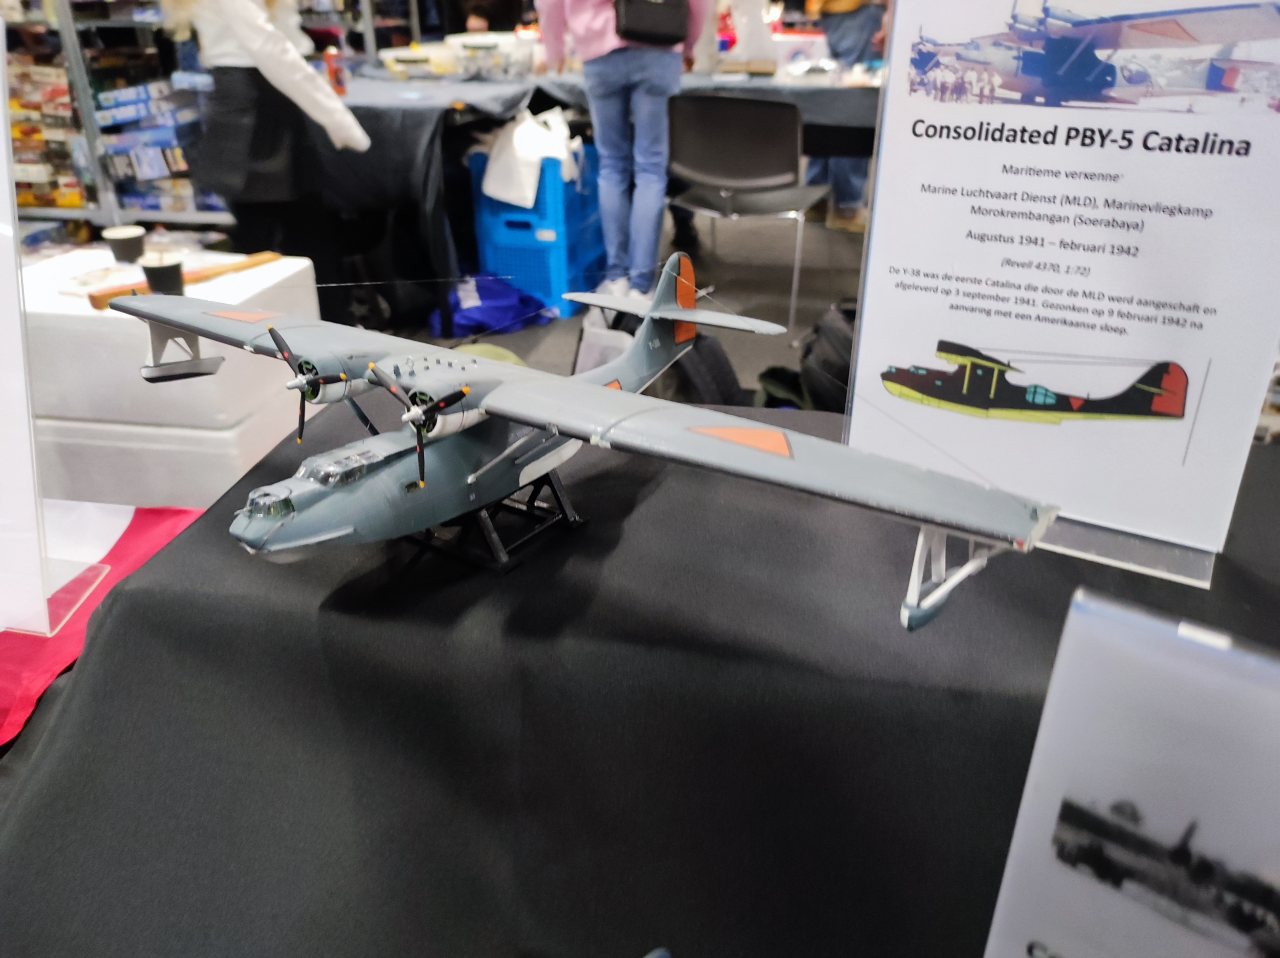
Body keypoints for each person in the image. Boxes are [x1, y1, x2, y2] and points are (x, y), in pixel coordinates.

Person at [160, 0, 371, 319]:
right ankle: (312, 328)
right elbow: (269, 46)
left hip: (261, 96)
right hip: (256, 101)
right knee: (285, 238)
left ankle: (313, 327)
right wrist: (338, 119)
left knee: (294, 233)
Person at [536, 0, 709, 294]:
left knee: (611, 166)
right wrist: (689, 44)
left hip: (599, 51)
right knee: (651, 169)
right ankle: (641, 285)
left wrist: (555, 49)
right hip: (660, 44)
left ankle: (616, 276)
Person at [804, 0, 888, 232]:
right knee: (854, 104)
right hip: (860, 9)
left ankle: (816, 198)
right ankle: (847, 205)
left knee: (833, 101)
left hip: (833, 9)